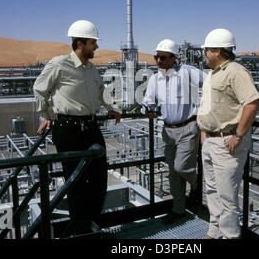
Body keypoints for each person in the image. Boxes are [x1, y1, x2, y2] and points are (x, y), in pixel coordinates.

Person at [33, 20, 121, 235]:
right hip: (68, 129)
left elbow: (101, 93)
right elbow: (39, 89)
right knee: (76, 182)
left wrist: (112, 108)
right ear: (80, 44)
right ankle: (81, 230)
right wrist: (46, 116)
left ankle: (93, 222)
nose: (96, 47)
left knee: (100, 179)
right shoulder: (59, 64)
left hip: (90, 126)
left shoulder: (92, 69)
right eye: (93, 43)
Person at [197, 28, 259, 239]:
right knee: (212, 191)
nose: (204, 54)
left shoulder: (235, 72)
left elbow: (252, 103)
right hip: (211, 140)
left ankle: (231, 235)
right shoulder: (213, 74)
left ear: (217, 51)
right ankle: (215, 231)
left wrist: (239, 135)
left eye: (207, 50)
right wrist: (205, 131)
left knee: (227, 196)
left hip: (227, 142)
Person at [142, 39, 205, 224]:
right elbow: (148, 100)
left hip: (188, 127)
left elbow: (211, 83)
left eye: (162, 57)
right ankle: (178, 210)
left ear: (173, 58)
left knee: (181, 167)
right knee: (173, 173)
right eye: (157, 57)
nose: (158, 61)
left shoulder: (187, 72)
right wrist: (148, 109)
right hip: (168, 131)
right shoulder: (155, 79)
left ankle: (196, 184)